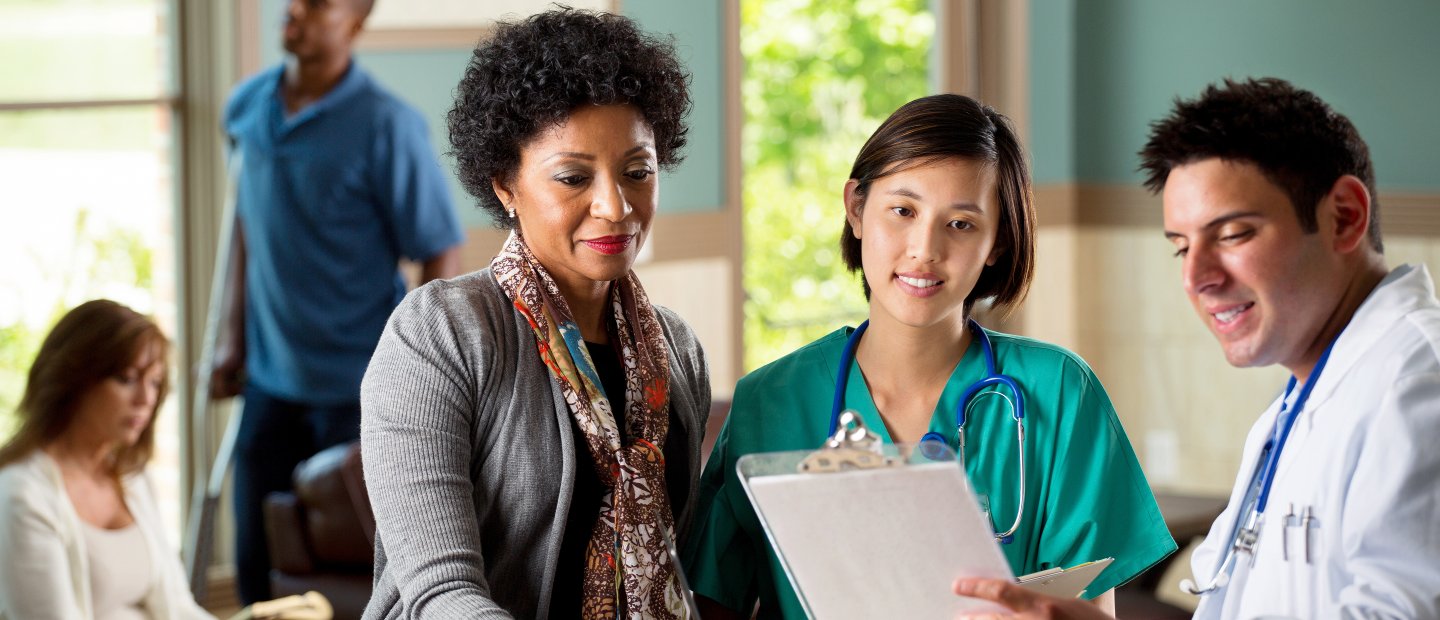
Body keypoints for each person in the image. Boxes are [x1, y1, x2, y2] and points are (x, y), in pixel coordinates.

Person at [955, 78, 1440, 618]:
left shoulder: (1418, 389)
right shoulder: (1306, 398)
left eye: (1232, 234)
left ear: (1345, 216)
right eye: (1182, 247)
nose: (1196, 277)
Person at [683, 94, 1176, 619]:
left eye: (960, 223)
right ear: (855, 208)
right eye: (903, 211)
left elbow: (1092, 610)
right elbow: (713, 600)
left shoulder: (1059, 392)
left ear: (998, 241)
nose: (924, 248)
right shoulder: (770, 401)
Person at [359, 8, 710, 619]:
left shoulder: (677, 351)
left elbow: (690, 565)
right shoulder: (439, 333)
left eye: (637, 172)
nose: (615, 206)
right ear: (505, 185)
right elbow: (440, 594)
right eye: (573, 177)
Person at [211, 0, 465, 604]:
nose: (293, 9)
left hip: (357, 387)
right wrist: (231, 336)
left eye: (319, 2)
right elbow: (246, 229)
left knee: (365, 570)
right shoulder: (246, 109)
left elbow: (439, 250)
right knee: (259, 557)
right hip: (270, 380)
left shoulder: (388, 126)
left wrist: (415, 370)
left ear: (355, 20)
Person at [0, 300, 214, 620]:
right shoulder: (22, 495)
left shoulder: (132, 477)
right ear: (73, 380)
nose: (145, 399)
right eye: (127, 378)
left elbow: (179, 608)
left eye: (155, 383)